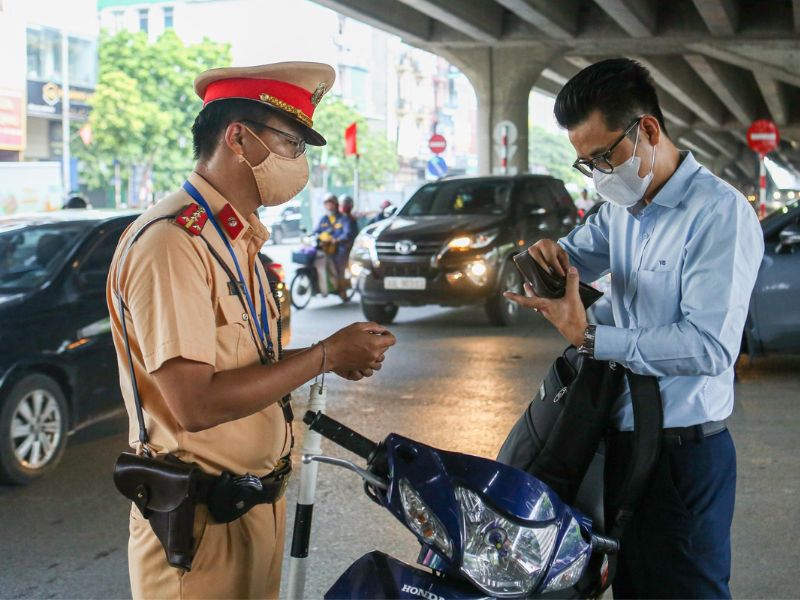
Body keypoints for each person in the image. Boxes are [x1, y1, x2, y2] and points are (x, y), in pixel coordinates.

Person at [106, 62, 396, 600]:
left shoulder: (236, 240)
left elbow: (243, 365)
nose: (299, 163)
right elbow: (195, 404)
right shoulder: (174, 242)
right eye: (291, 144)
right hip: (197, 531)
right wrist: (325, 355)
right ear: (238, 138)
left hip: (250, 510)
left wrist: (322, 354)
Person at [504, 58, 763, 599]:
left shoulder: (718, 213)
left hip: (683, 457)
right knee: (632, 588)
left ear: (647, 129)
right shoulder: (620, 209)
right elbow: (575, 257)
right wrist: (548, 259)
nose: (599, 173)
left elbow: (711, 347)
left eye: (605, 156)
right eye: (586, 163)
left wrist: (592, 337)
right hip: (620, 445)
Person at [334, 195, 359, 299]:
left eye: (346, 205)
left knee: (340, 269)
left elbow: (348, 234)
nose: (344, 206)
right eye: (342, 204)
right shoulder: (339, 218)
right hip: (338, 245)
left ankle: (342, 290)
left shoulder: (350, 219)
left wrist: (338, 239)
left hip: (346, 248)